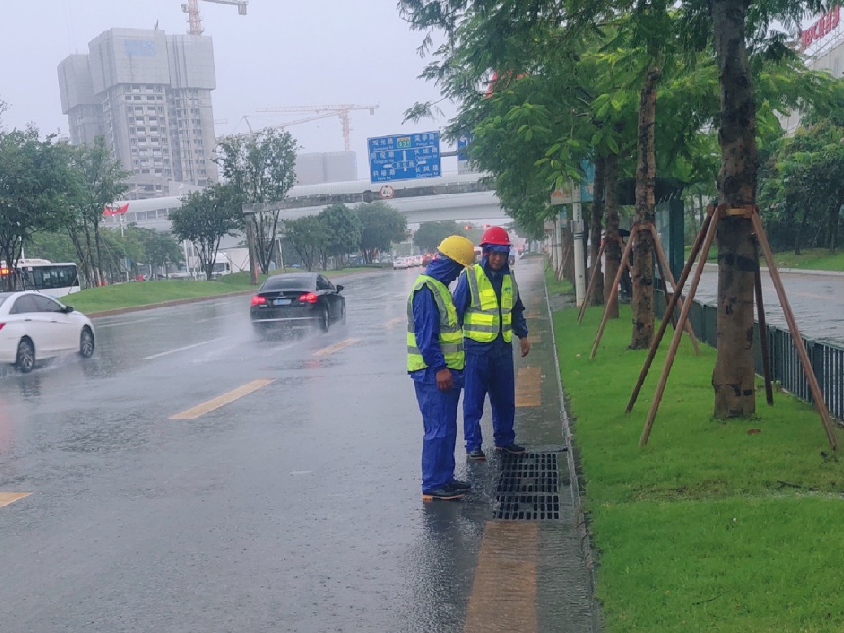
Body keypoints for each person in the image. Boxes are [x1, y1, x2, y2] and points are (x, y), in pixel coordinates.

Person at [407, 235, 477, 501]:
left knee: (447, 427)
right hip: (433, 374)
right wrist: (440, 369)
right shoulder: (427, 289)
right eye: (459, 268)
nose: (459, 274)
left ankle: (445, 478)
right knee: (437, 428)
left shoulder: (439, 285)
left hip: (446, 371)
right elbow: (427, 338)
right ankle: (434, 483)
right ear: (449, 263)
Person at [454, 226, 530, 461]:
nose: (497, 258)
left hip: (502, 349)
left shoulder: (509, 277)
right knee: (474, 402)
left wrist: (523, 335)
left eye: (502, 253)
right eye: (493, 253)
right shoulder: (470, 276)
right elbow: (456, 311)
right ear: (485, 252)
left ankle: (504, 440)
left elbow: (516, 308)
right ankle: (473, 445)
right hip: (476, 350)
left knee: (505, 398)